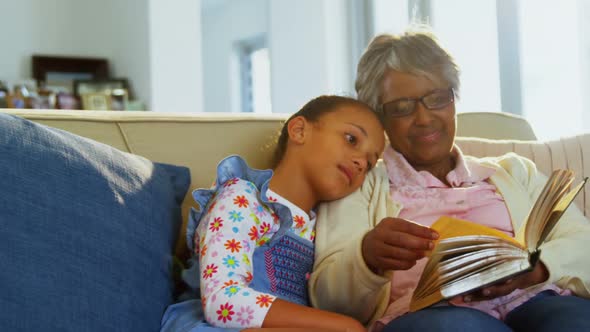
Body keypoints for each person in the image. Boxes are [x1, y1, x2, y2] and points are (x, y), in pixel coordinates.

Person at [309, 28, 590, 332]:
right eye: (402, 107)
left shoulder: (514, 172)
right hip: (431, 314)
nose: (424, 118)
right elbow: (326, 297)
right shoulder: (359, 183)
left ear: (454, 100)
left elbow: (584, 243)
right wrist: (366, 256)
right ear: (380, 117)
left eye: (438, 98)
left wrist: (534, 270)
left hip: (536, 298)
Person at [160, 95, 385, 331]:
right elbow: (222, 301)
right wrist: (344, 326)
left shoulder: (323, 232)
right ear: (299, 130)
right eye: (351, 139)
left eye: (370, 164)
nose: (361, 161)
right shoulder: (242, 197)